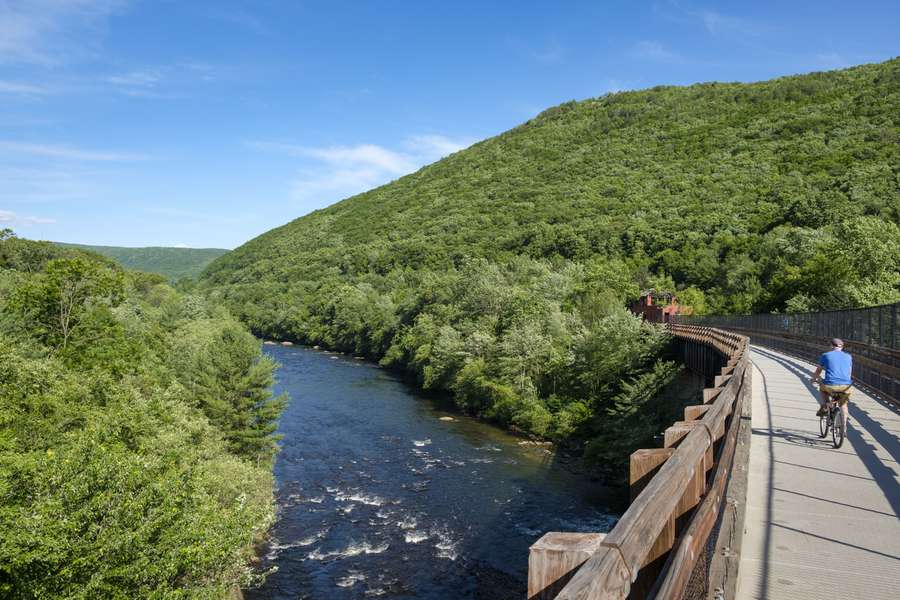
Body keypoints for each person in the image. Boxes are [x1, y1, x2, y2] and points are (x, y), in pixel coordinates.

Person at [811, 338, 853, 418]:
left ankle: (826, 404)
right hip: (846, 386)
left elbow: (818, 371)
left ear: (831, 346)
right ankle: (844, 428)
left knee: (822, 389)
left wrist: (814, 379)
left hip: (830, 385)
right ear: (842, 347)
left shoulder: (825, 355)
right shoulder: (849, 356)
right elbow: (849, 373)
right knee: (843, 404)